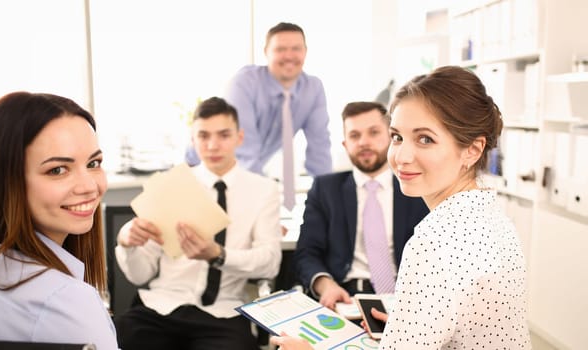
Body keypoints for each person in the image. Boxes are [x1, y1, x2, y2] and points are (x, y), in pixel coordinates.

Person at [270, 66, 532, 349]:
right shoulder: (494, 218)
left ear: (472, 149)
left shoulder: (435, 241)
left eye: (425, 139)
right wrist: (410, 321)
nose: (402, 156)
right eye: (397, 137)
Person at [114, 96, 282, 349]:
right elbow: (140, 275)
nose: (213, 145)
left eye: (223, 135)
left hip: (223, 312)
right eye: (203, 136)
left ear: (239, 137)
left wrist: (219, 255)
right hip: (161, 307)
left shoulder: (264, 190)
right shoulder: (171, 186)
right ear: (193, 140)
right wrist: (127, 245)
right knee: (119, 336)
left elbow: (270, 264)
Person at [0, 92, 118, 349]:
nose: (89, 186)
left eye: (93, 163)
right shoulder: (65, 302)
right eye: (57, 170)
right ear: (6, 181)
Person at [293, 101, 428, 311]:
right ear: (345, 144)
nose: (364, 142)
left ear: (393, 138)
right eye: (355, 135)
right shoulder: (325, 189)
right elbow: (307, 253)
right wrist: (326, 285)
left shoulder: (418, 189)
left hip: (405, 301)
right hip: (344, 298)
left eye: (374, 132)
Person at [185, 22, 332, 208]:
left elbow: (320, 149)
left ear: (305, 51)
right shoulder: (244, 83)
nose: (289, 55)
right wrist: (265, 209)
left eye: (296, 48)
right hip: (202, 171)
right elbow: (245, 153)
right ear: (266, 52)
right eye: (280, 49)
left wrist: (329, 200)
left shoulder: (313, 88)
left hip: (240, 177)